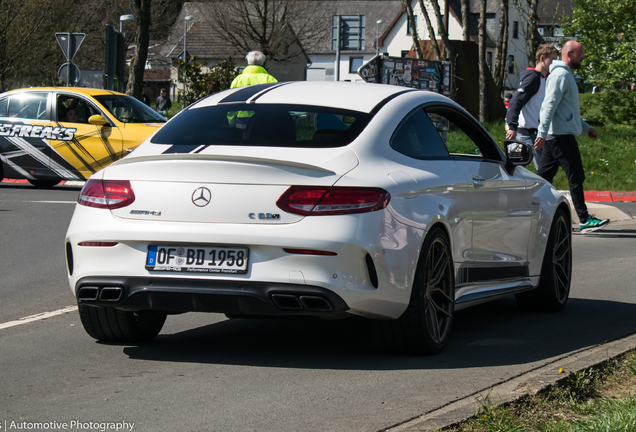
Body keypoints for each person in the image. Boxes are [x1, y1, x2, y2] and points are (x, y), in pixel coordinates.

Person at [535, 40, 609, 233]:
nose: (583, 57)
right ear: (569, 55)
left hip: (556, 137)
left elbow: (568, 111)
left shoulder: (565, 75)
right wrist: (541, 133)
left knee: (542, 180)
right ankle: (584, 220)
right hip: (561, 138)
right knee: (576, 176)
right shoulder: (560, 75)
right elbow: (548, 105)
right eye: (580, 54)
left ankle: (529, 214)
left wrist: (585, 128)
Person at [506, 44, 559, 170]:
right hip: (527, 134)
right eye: (552, 60)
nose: (554, 64)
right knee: (543, 171)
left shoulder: (543, 79)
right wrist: (512, 126)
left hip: (535, 134)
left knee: (517, 170)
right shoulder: (533, 78)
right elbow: (515, 102)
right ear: (542, 58)